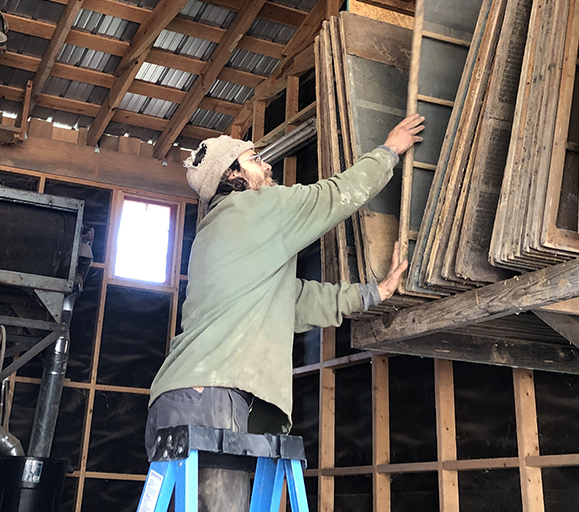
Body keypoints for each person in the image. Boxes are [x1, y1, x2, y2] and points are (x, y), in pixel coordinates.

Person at [144, 113, 425, 510]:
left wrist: (372, 294)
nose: (268, 164)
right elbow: (332, 196)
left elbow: (294, 303)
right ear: (234, 177)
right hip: (211, 396)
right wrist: (389, 151)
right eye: (255, 159)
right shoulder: (254, 208)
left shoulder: (219, 234)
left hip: (177, 397)